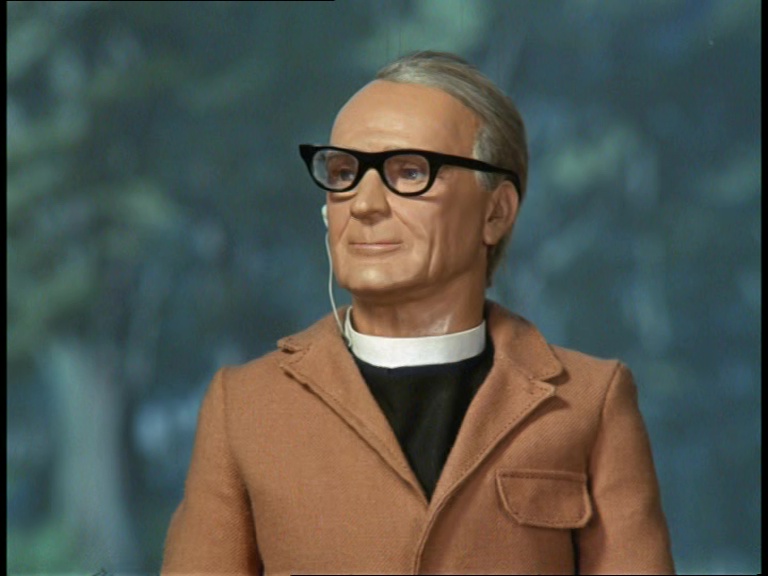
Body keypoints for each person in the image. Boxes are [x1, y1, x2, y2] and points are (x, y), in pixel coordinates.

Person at [161, 50, 675, 575]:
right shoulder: (247, 407)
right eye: (343, 172)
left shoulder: (588, 403)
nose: (364, 204)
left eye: (409, 172)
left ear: (496, 212)